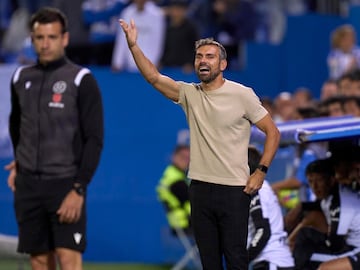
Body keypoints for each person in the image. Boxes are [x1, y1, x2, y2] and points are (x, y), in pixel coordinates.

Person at [118, 19, 280, 270]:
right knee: (209, 263)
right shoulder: (189, 94)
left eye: (210, 56)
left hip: (234, 190)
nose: (203, 60)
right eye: (199, 56)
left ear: (223, 64)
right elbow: (153, 77)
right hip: (200, 189)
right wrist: (134, 45)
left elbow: (273, 132)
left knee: (236, 259)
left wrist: (261, 171)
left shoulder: (242, 94)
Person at [5, 7, 104, 270]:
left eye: (52, 37)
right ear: (33, 39)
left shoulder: (81, 79)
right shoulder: (20, 77)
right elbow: (17, 126)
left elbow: (94, 139)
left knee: (68, 258)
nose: (45, 44)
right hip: (28, 187)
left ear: (65, 39)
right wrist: (20, 161)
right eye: (40, 38)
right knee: (39, 261)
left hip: (64, 185)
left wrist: (79, 188)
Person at [292, 159, 360, 270]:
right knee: (304, 236)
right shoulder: (327, 198)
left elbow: (335, 244)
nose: (315, 186)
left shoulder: (340, 201)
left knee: (307, 256)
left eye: (319, 180)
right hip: (346, 245)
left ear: (332, 180)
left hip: (355, 250)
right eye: (310, 181)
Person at [247, 145, 295, 270]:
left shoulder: (258, 190)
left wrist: (242, 259)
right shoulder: (260, 188)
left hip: (271, 262)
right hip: (273, 261)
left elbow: (263, 231)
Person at [111, 0, 165, 72]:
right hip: (129, 65)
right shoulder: (127, 13)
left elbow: (158, 41)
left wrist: (156, 61)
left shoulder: (157, 14)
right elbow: (122, 39)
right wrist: (117, 62)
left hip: (151, 65)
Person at [156, 144, 191, 233]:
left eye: (188, 158)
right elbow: (191, 205)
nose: (186, 160)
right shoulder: (176, 181)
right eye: (182, 157)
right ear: (174, 157)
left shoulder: (171, 175)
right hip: (186, 223)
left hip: (180, 224)